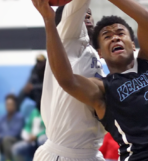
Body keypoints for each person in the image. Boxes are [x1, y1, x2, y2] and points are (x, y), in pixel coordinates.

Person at [32, 0, 148, 160]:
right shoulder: (104, 89)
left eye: (120, 33)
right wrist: (48, 20)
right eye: (107, 36)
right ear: (100, 52)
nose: (115, 38)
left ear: (133, 44)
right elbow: (67, 80)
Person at [33, 1, 106, 161]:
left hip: (91, 154)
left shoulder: (93, 52)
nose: (87, 13)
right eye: (83, 11)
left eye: (90, 12)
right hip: (62, 154)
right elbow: (78, 5)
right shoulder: (67, 38)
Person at [0, 94, 24, 161]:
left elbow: (15, 133)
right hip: (1, 141)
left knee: (6, 140)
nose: (9, 106)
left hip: (15, 140)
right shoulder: (1, 118)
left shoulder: (19, 117)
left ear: (15, 105)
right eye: (7, 104)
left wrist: (1, 136)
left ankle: (8, 159)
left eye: (11, 104)